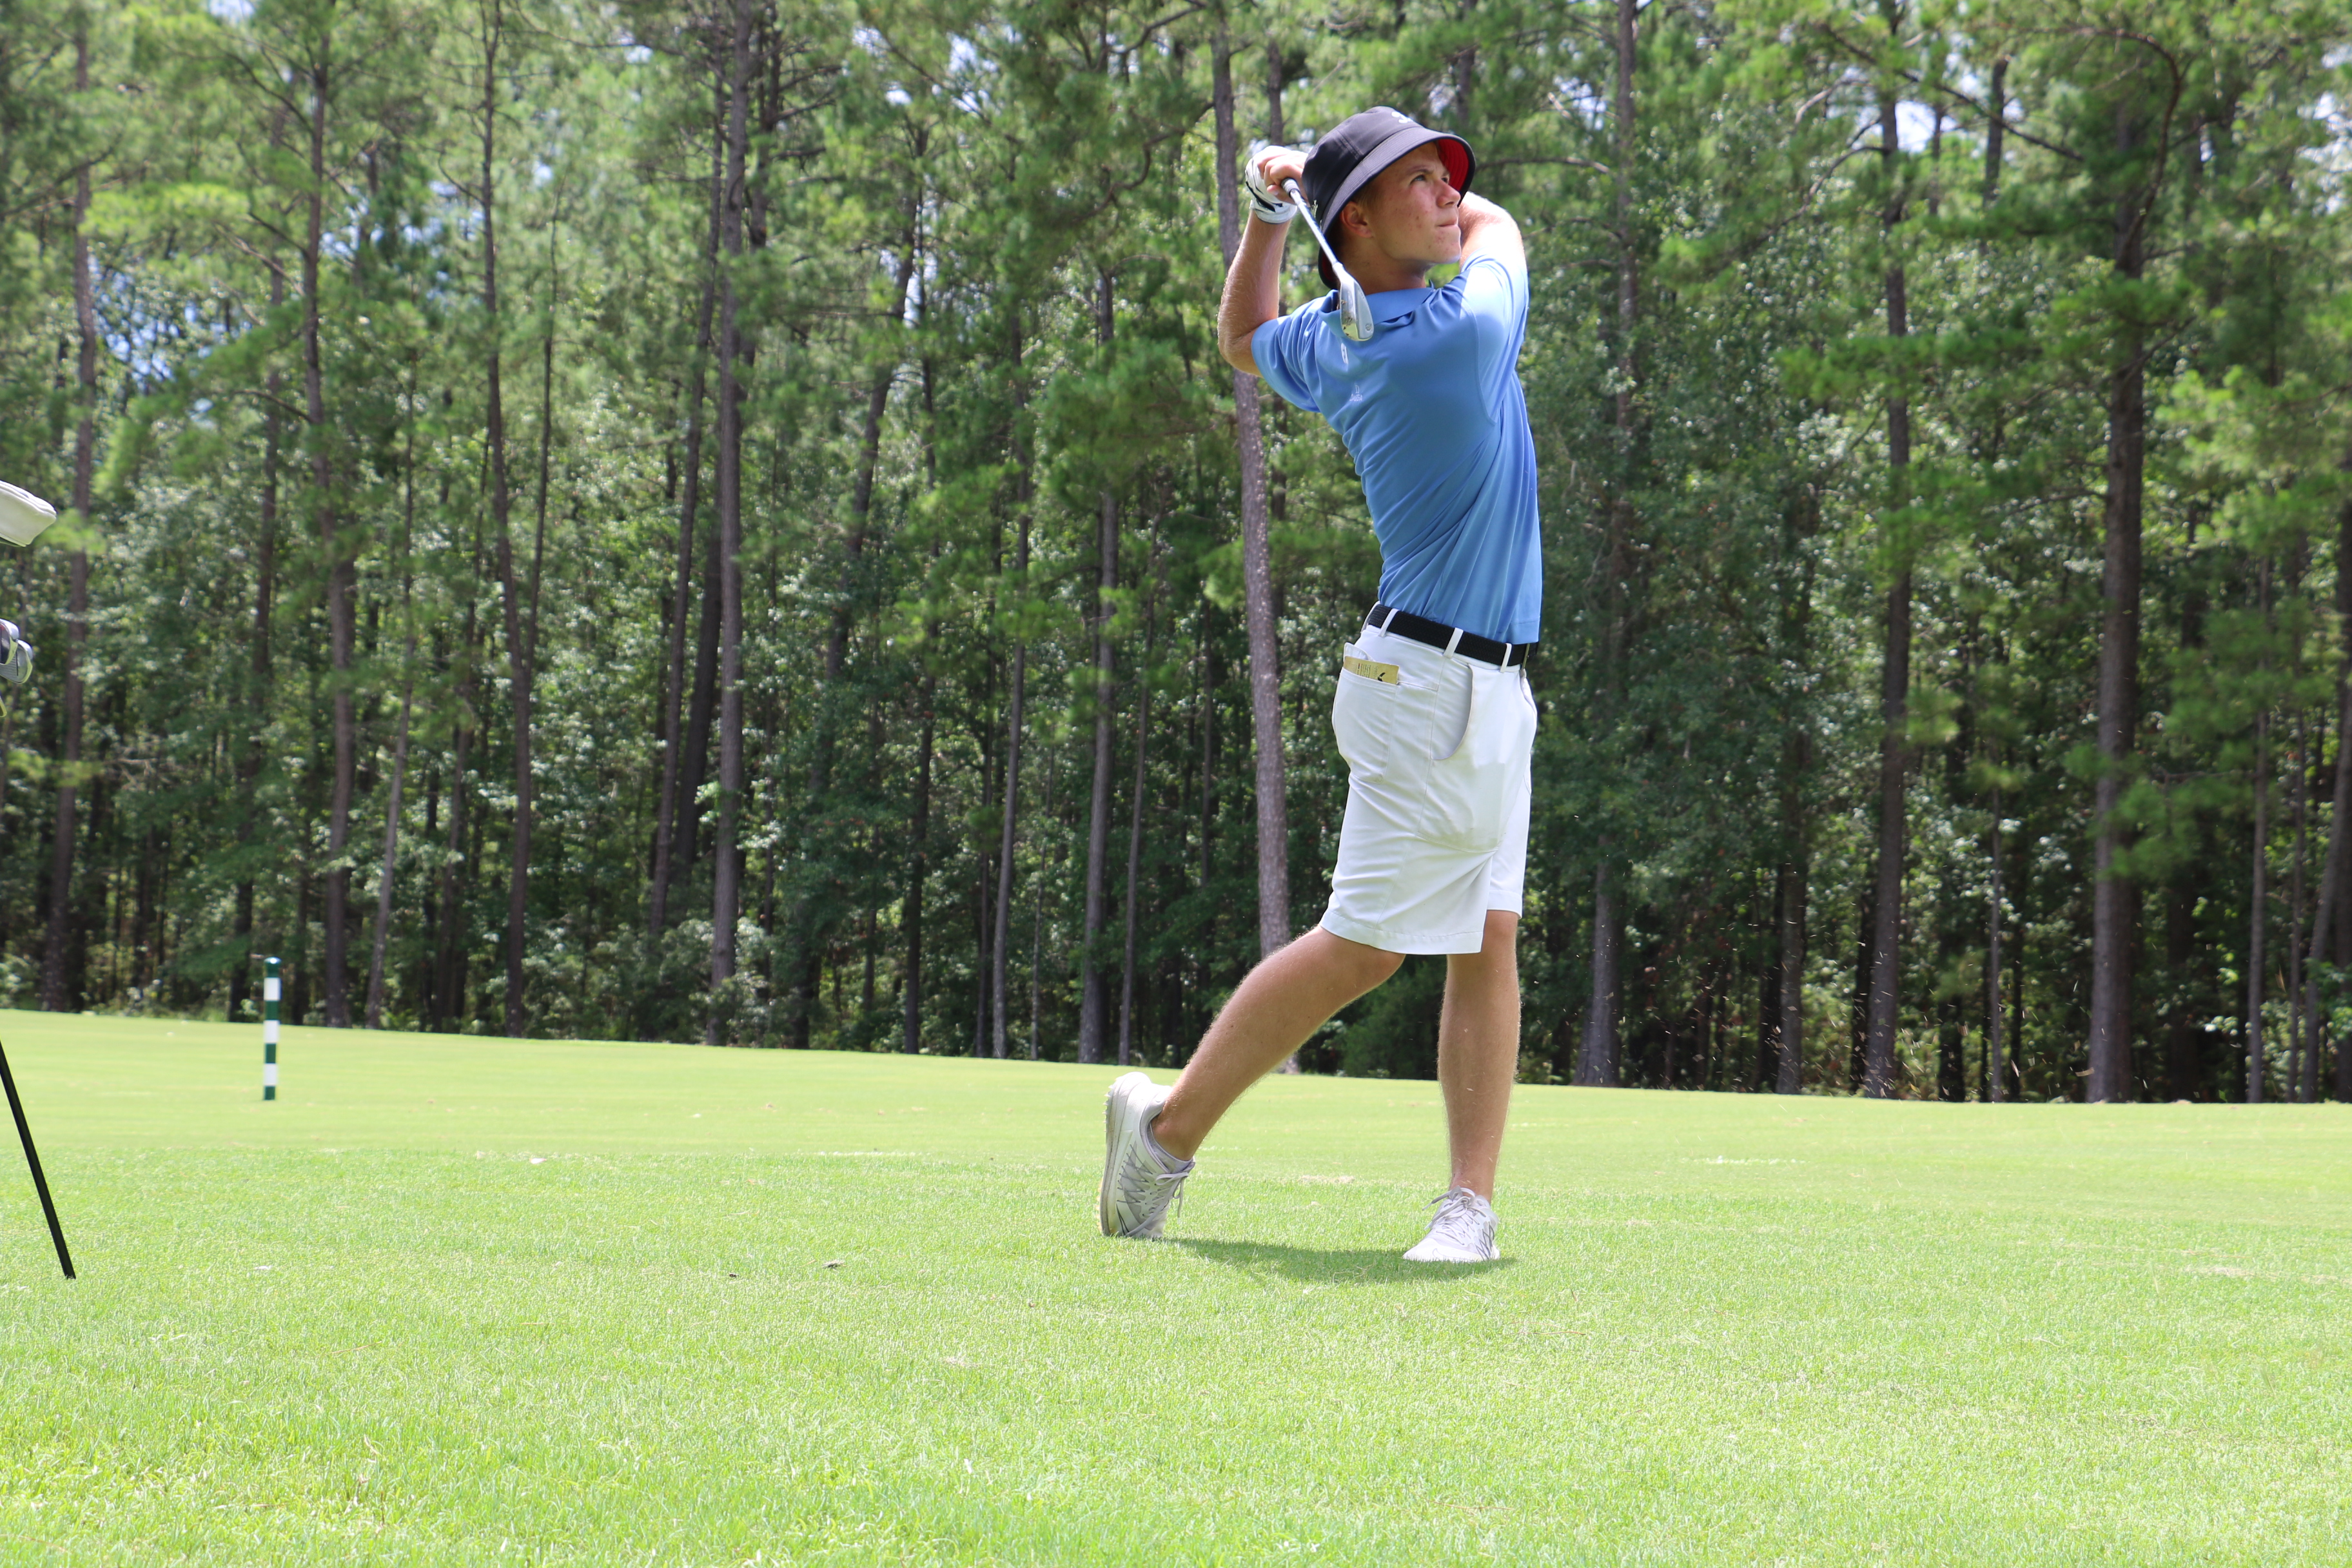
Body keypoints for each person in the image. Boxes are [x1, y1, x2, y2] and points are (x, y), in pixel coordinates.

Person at [1099, 107, 1540, 1263]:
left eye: (1449, 176)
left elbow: (1243, 337)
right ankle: (1163, 1136)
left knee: (1487, 936)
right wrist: (1313, 197)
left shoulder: (1338, 340)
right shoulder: (1459, 334)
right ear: (1358, 224)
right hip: (1433, 685)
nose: (1449, 195)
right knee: (1364, 948)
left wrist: (1267, 212)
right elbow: (1501, 225)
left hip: (1483, 685)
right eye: (1418, 182)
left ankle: (1469, 1207)